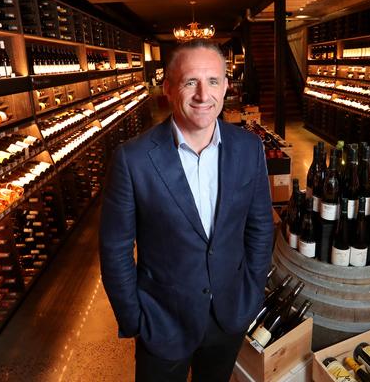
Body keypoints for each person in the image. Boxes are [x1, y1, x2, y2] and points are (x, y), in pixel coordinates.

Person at [99, 40, 273, 382]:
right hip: (161, 322)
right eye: (190, 81)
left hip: (229, 315)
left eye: (212, 81)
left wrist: (251, 294)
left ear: (225, 85)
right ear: (168, 88)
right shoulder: (132, 159)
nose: (202, 95)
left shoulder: (249, 148)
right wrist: (134, 319)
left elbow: (261, 227)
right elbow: (115, 248)